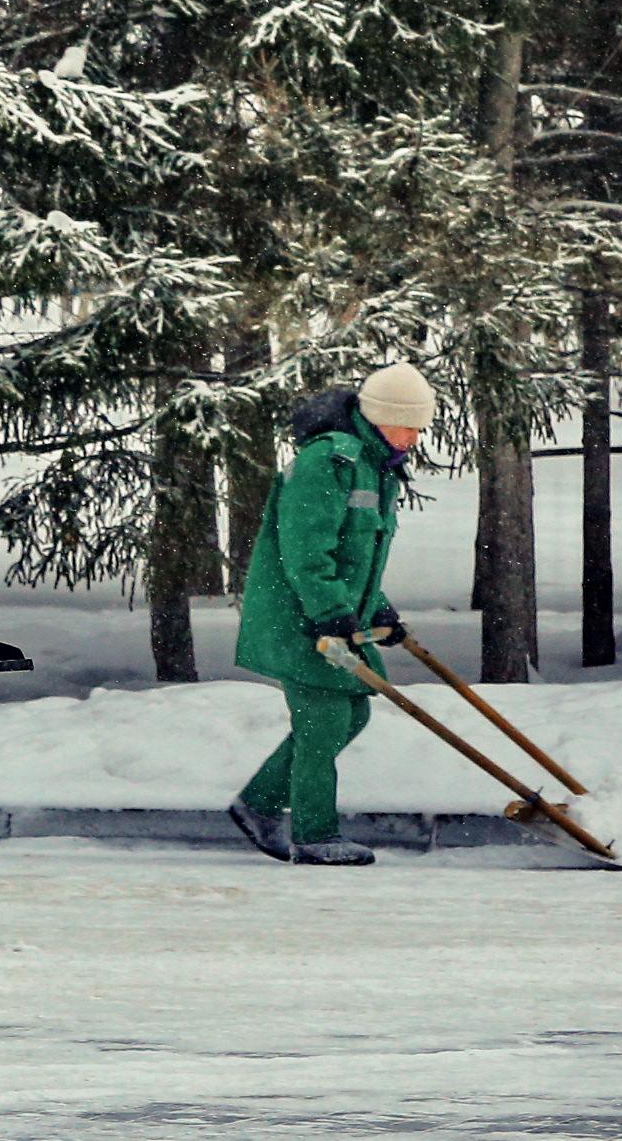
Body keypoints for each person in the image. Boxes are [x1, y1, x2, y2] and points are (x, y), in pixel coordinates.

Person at [227, 363, 436, 866]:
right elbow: (306, 551)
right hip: (299, 616)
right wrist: (331, 613)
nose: (413, 436)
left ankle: (257, 804)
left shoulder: (373, 464)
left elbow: (355, 554)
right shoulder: (329, 462)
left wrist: (373, 608)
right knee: (322, 721)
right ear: (380, 417)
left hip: (331, 614)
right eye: (406, 425)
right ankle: (315, 835)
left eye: (418, 427)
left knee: (353, 714)